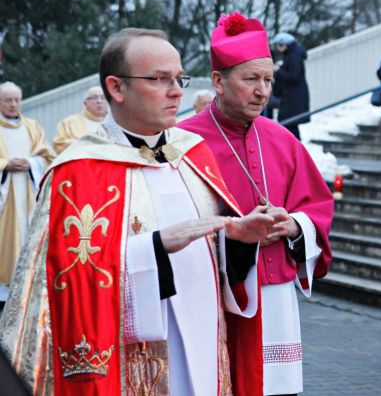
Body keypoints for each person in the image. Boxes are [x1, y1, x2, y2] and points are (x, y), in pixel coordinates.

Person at [0, 28, 284, 394]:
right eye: (159, 79)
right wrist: (154, 247)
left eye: (179, 78)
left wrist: (238, 240)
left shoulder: (193, 154)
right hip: (131, 358)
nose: (177, 90)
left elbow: (219, 265)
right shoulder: (77, 171)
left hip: (205, 344)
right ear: (117, 88)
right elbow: (59, 289)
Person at [179, 13, 333, 396]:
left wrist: (294, 226)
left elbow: (317, 206)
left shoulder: (283, 139)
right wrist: (237, 234)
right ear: (218, 81)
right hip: (215, 296)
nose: (262, 91)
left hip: (276, 299)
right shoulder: (182, 142)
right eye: (250, 79)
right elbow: (171, 225)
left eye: (268, 80)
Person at [0, 82, 55, 308]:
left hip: (29, 199)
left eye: (16, 100)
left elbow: (48, 157)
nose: (13, 104)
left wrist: (32, 164)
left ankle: (28, 288)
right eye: (8, 100)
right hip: (5, 204)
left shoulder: (32, 127)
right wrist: (4, 165)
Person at [271, 32, 310, 140]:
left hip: (293, 98)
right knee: (290, 126)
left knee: (289, 125)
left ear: (285, 44)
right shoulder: (292, 54)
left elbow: (294, 76)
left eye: (279, 45)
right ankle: (294, 151)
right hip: (293, 97)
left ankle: (295, 151)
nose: (278, 48)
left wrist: (278, 70)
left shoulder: (293, 56)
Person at [53, 85, 108, 153]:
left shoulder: (115, 123)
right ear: (85, 103)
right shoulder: (69, 123)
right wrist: (86, 143)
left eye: (103, 98)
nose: (99, 101)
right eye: (94, 98)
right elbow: (59, 145)